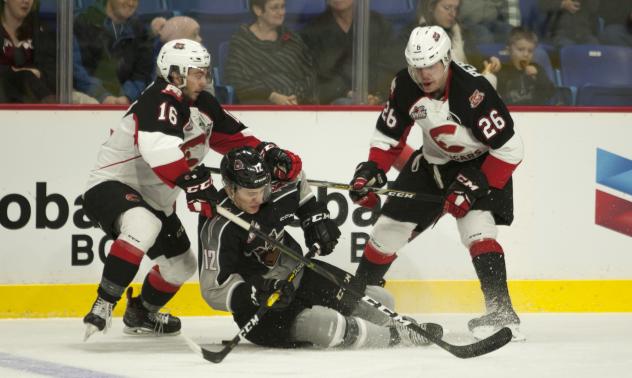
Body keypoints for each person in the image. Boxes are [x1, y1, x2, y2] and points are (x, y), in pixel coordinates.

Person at [81, 38, 303, 341]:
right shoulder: (158, 100)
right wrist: (192, 182)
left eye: (205, 72)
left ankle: (142, 313)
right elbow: (158, 148)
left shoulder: (203, 104)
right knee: (144, 225)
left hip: (156, 199)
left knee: (180, 265)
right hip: (112, 185)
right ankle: (104, 302)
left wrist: (268, 152)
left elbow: (236, 139)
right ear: (175, 74)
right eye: (197, 73)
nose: (205, 79)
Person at [348, 26, 525, 341]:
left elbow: (511, 149)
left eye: (431, 65)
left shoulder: (475, 92)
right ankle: (354, 302)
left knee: (477, 230)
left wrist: (474, 185)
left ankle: (501, 312)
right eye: (417, 66)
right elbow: (389, 134)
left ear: (447, 60)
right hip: (431, 165)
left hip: (478, 167)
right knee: (386, 231)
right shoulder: (404, 84)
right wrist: (374, 168)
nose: (424, 73)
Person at [198, 146, 443, 349]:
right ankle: (397, 337)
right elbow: (212, 289)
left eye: (263, 189)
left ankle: (388, 326)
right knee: (326, 325)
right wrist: (255, 291)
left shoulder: (273, 191)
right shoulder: (218, 226)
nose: (259, 198)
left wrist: (312, 216)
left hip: (299, 272)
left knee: (380, 300)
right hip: (264, 305)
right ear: (230, 188)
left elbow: (297, 180)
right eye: (250, 193)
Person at [299, 0, 399, 105]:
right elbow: (313, 83)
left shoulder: (380, 25)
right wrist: (347, 93)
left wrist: (378, 96)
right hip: (336, 103)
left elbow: (389, 68)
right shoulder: (312, 33)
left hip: (379, 98)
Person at [224, 0, 317, 105]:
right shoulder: (242, 41)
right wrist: (271, 96)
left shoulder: (292, 39)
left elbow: (309, 74)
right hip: (258, 105)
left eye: (283, 7)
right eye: (275, 8)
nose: (282, 12)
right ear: (258, 10)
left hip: (295, 103)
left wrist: (296, 96)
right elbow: (237, 81)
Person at [73, 0, 154, 105]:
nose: (131, 3)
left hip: (126, 101)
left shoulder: (140, 29)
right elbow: (76, 69)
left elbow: (143, 72)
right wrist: (103, 96)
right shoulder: (82, 22)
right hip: (88, 98)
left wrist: (127, 96)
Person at [0, 0, 56, 103]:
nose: (26, 1)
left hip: (38, 102)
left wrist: (40, 73)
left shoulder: (40, 29)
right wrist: (24, 74)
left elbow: (55, 74)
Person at [496, 27, 556, 105]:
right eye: (520, 49)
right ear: (509, 50)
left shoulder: (537, 69)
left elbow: (550, 93)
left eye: (530, 51)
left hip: (534, 112)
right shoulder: (503, 70)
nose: (526, 54)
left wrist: (537, 77)